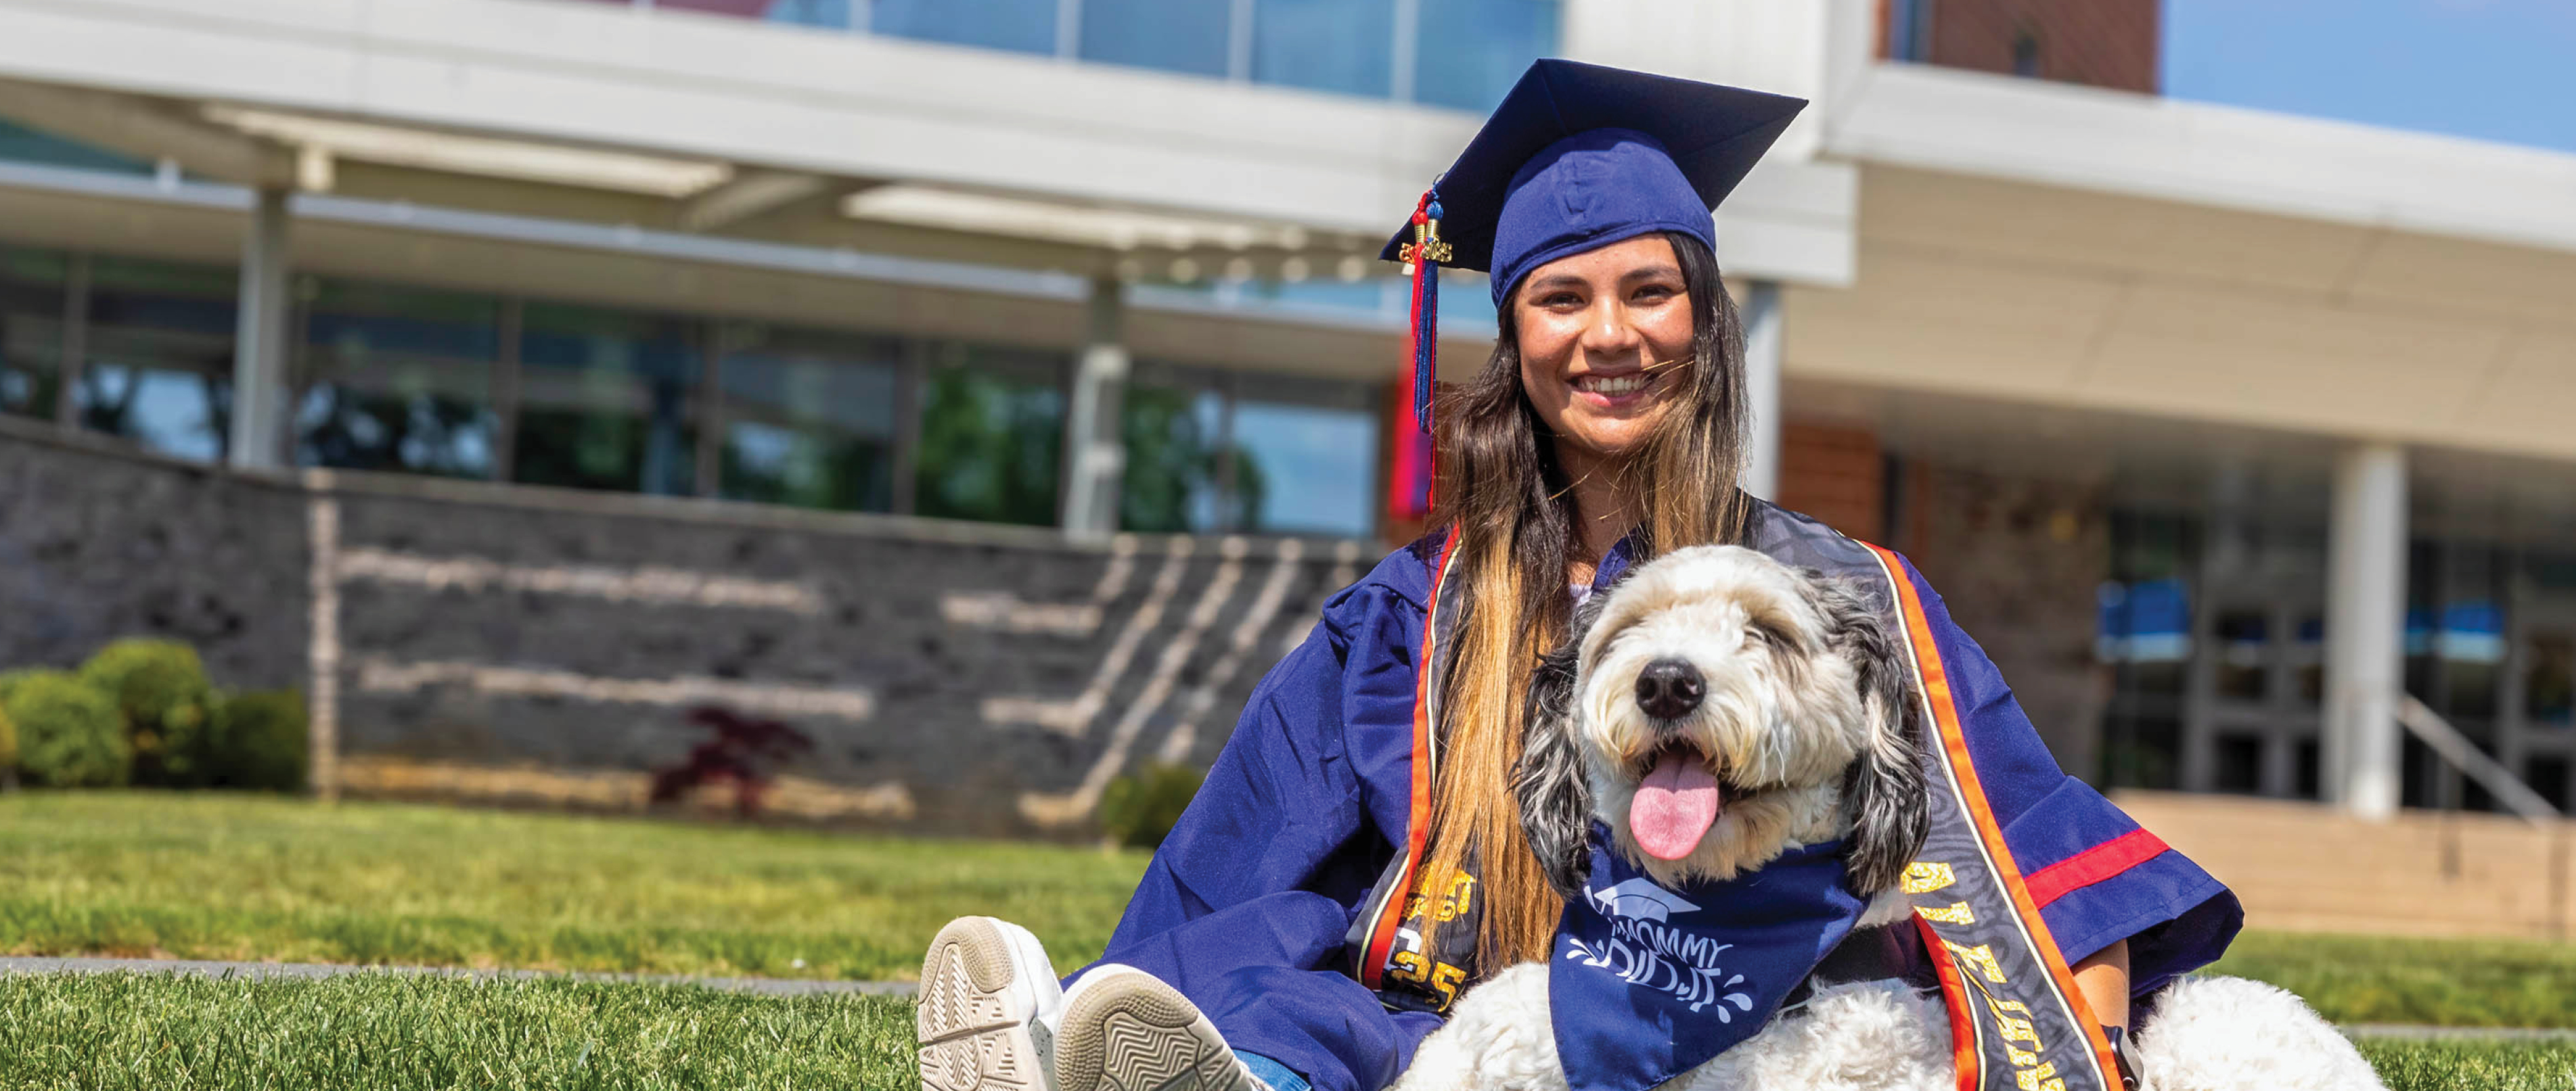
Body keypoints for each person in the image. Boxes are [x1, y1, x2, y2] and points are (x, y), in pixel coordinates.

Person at [917, 60, 2239, 1091]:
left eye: (1648, 292)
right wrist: (1172, 985)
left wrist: (2094, 1060)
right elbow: (1246, 859)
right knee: (1308, 1008)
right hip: (1431, 1024)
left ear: (1704, 324)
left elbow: (2035, 859)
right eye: (1562, 300)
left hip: (1711, 1015)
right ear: (1512, 339)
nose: (1609, 335)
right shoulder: (1413, 614)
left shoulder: (1837, 598)